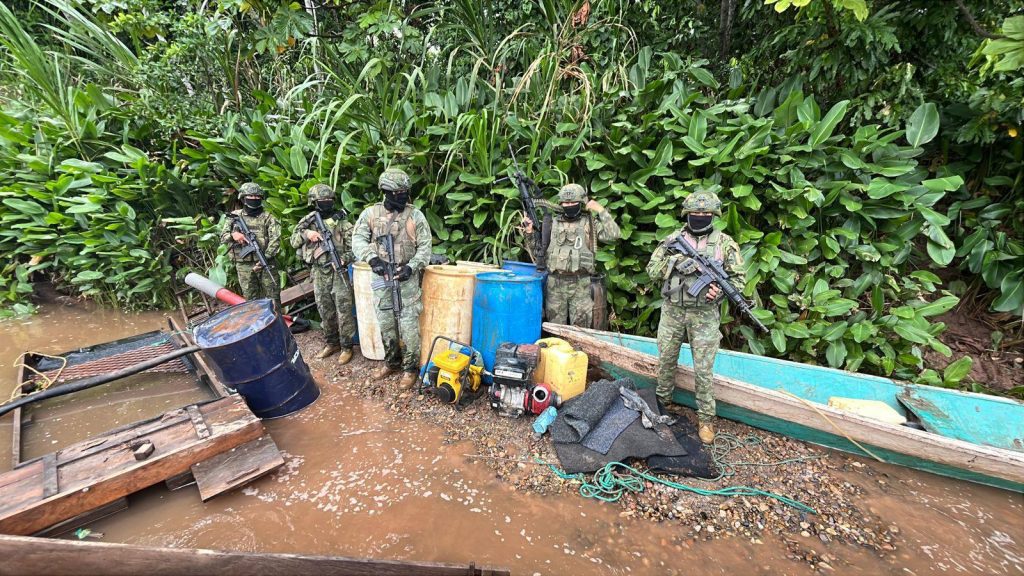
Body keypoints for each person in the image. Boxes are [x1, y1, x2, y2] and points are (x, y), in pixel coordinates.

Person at [646, 188, 745, 444]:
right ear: (686, 214)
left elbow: (738, 281)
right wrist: (674, 263)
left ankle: (706, 419)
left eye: (705, 212)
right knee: (666, 360)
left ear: (714, 215)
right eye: (695, 212)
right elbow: (652, 270)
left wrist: (719, 294)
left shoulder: (725, 244)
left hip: (704, 316)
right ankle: (661, 406)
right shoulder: (671, 241)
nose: (700, 216)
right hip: (673, 312)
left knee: (703, 370)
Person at [351, 168, 432, 390]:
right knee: (385, 321)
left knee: (408, 324)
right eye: (398, 192)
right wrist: (373, 259)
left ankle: (409, 369)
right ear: (385, 191)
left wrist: (412, 267)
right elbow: (357, 239)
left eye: (406, 191)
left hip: (405, 277)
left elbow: (425, 248)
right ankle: (391, 362)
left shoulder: (415, 215)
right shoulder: (370, 214)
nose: (402, 196)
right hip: (381, 276)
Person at [525, 183, 620, 327]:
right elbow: (538, 252)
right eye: (566, 202)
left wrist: (601, 210)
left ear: (581, 203)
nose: (569, 205)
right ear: (560, 203)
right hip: (555, 284)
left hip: (581, 284)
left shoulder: (590, 223)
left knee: (581, 331)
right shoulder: (551, 223)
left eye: (573, 202)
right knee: (555, 329)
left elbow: (614, 235)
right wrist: (530, 232)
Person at [290, 183, 356, 364]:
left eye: (328, 201)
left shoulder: (343, 223)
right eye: (321, 201)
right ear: (313, 202)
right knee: (324, 309)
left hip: (338, 271)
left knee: (344, 311)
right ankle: (331, 343)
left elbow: (356, 248)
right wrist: (307, 234)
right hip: (319, 272)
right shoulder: (307, 222)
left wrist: (344, 259)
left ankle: (347, 347)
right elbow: (293, 241)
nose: (326, 204)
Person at [220, 182, 280, 301]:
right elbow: (222, 237)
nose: (254, 199)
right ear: (243, 198)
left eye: (257, 197)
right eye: (251, 196)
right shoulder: (234, 216)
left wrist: (265, 258)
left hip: (266, 263)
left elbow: (276, 241)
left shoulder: (269, 217)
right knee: (251, 300)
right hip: (244, 266)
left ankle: (276, 319)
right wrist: (234, 235)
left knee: (273, 299)